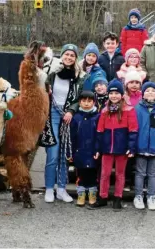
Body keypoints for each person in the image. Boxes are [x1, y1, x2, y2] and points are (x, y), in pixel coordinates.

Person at [40, 43, 86, 203]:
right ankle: (48, 188)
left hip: (67, 116)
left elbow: (78, 97)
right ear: (62, 56)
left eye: (72, 55)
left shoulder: (79, 77)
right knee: (53, 152)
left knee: (65, 154)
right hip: (52, 114)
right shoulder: (51, 73)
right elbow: (41, 88)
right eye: (66, 54)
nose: (69, 57)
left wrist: (71, 111)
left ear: (75, 59)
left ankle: (61, 188)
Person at [89, 80, 138, 211]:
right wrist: (98, 148)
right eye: (111, 93)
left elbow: (133, 130)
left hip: (122, 149)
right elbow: (99, 131)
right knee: (104, 174)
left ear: (121, 95)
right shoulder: (104, 111)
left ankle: (118, 198)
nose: (114, 96)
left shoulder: (129, 110)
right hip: (106, 148)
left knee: (120, 175)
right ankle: (103, 197)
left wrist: (131, 147)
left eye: (117, 93)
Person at [133, 82, 155, 210]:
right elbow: (134, 128)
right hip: (141, 146)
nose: (150, 93)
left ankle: (151, 196)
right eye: (147, 90)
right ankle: (138, 195)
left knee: (152, 174)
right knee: (140, 173)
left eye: (153, 90)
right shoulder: (137, 108)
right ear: (143, 94)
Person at [69, 91, 101, 207]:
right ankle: (81, 194)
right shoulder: (76, 117)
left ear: (94, 102)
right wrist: (71, 152)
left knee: (92, 174)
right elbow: (72, 137)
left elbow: (99, 135)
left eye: (89, 101)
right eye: (84, 101)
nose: (86, 103)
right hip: (80, 151)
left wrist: (98, 149)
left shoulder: (98, 117)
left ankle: (92, 194)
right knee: (81, 174)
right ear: (79, 102)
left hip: (92, 151)